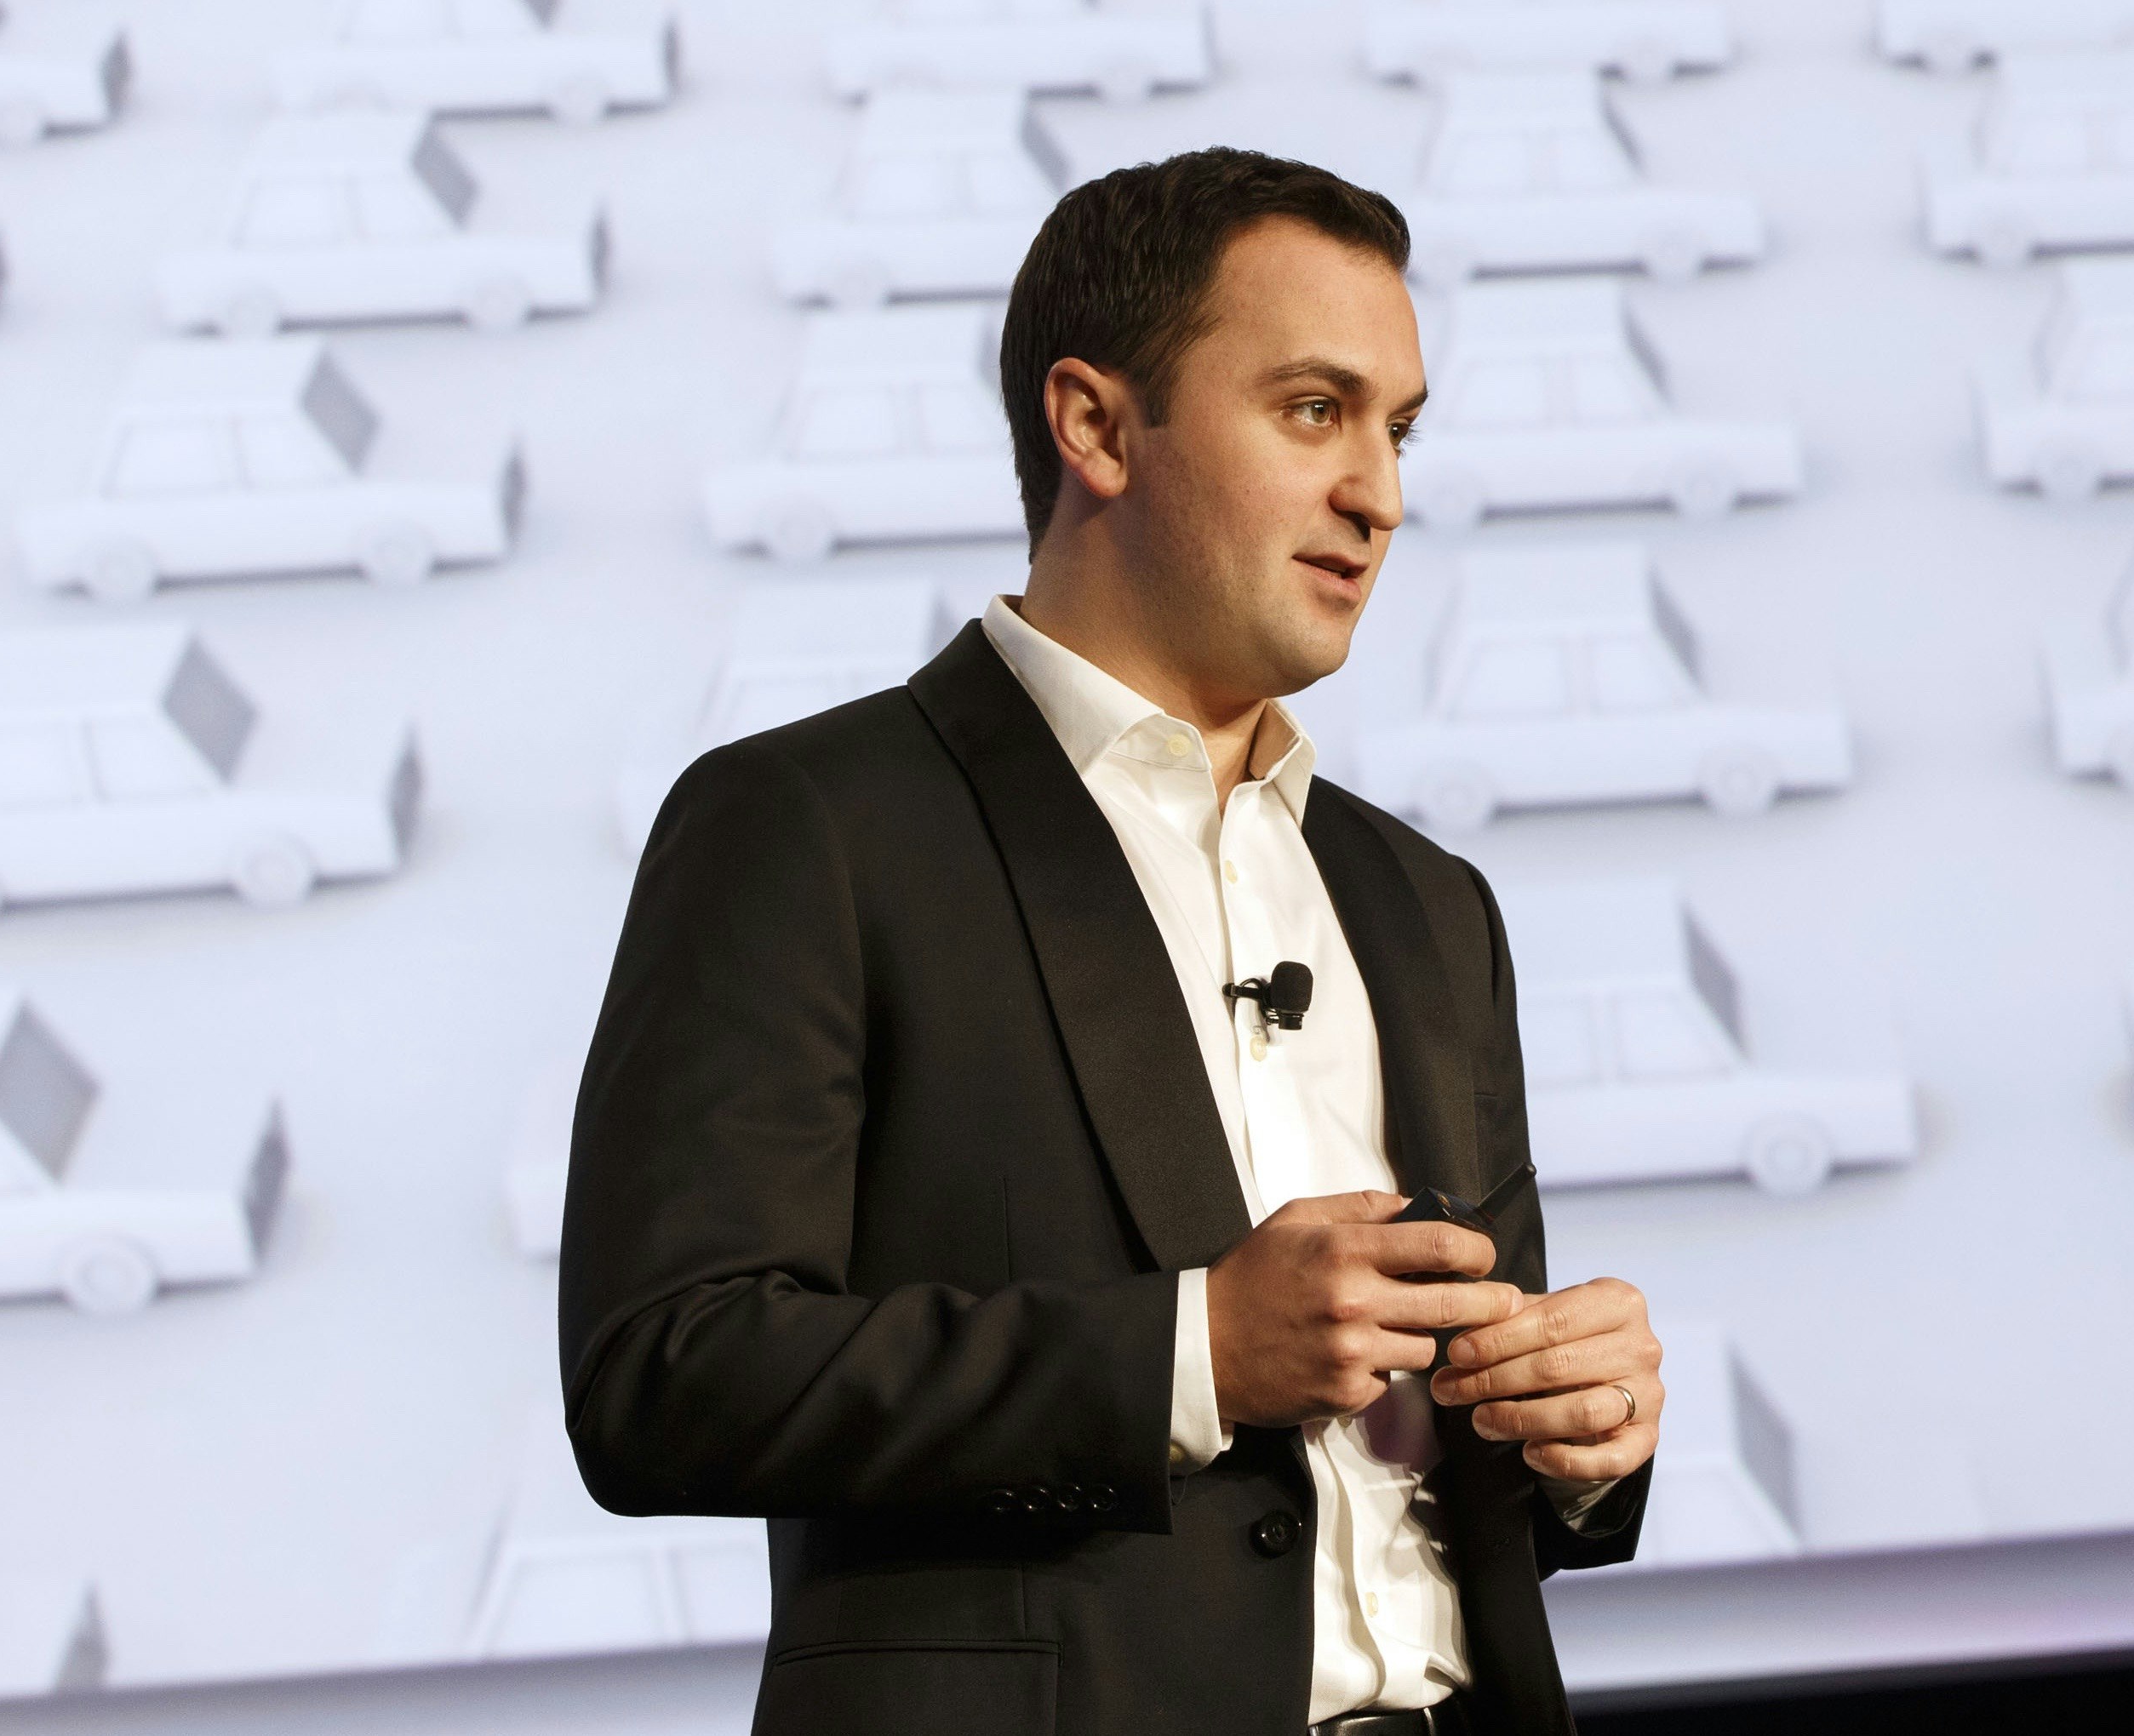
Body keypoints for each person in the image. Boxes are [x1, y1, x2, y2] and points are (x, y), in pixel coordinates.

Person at [559, 148, 1668, 1736]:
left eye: (1399, 430)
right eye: (1314, 409)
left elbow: (1442, 1472)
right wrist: (1194, 1349)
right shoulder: (808, 824)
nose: (1379, 493)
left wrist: (1578, 1434)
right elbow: (665, 1370)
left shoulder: (1427, 899)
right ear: (1094, 426)